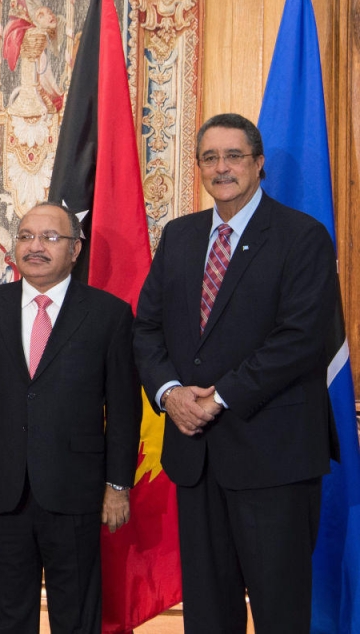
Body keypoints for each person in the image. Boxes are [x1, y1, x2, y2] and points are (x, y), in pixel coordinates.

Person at [133, 113, 339, 633]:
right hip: (196, 457)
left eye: (234, 156)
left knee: (280, 612)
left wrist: (217, 398)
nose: (221, 168)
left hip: (273, 455)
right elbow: (146, 329)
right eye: (210, 157)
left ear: (258, 163)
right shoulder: (178, 236)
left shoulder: (301, 236)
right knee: (207, 615)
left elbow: (301, 340)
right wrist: (170, 393)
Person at [0, 201, 140, 634]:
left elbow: (123, 407)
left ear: (75, 250)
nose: (35, 247)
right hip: (2, 488)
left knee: (77, 614)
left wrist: (117, 485)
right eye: (26, 237)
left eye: (50, 238)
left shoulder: (108, 314)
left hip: (76, 489)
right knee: (6, 615)